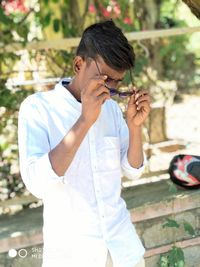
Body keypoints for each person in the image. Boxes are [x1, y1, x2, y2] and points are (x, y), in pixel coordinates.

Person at [18, 20, 151, 267]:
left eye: (117, 82)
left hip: (123, 251)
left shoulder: (111, 110)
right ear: (79, 64)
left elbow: (133, 170)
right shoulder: (38, 109)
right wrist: (85, 121)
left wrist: (134, 128)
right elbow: (38, 183)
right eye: (105, 78)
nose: (110, 89)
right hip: (73, 255)